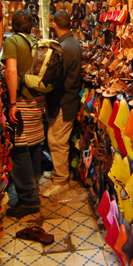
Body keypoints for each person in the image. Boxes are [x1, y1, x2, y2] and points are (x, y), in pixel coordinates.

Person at [2, 9, 46, 218]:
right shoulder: (35, 42)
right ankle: (33, 188)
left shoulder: (12, 42)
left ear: (13, 25)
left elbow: (11, 71)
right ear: (30, 26)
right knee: (34, 145)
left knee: (19, 150)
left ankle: (29, 200)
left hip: (21, 102)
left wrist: (12, 103)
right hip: (38, 101)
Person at [43, 10, 82, 198]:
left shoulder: (64, 47)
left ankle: (61, 180)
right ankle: (59, 172)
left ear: (54, 25)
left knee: (57, 141)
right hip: (68, 99)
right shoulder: (71, 42)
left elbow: (58, 78)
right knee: (55, 137)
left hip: (65, 101)